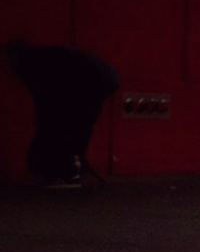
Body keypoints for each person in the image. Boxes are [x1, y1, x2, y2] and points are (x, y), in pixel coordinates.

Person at [6, 39, 119, 187]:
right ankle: (75, 165)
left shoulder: (32, 63)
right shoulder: (47, 55)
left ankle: (66, 171)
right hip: (106, 78)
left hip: (90, 80)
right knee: (81, 123)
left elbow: (43, 99)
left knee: (62, 125)